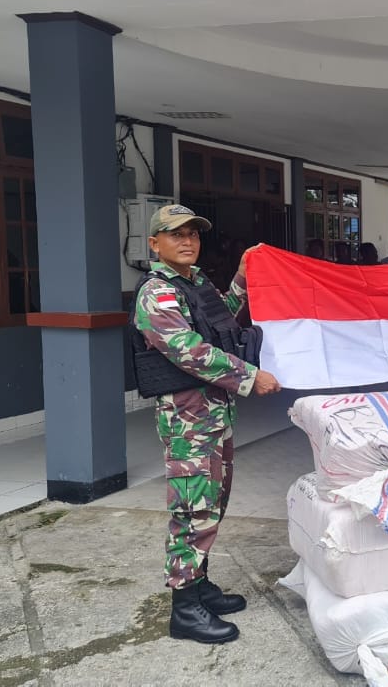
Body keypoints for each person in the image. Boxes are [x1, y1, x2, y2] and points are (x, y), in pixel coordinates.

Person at [132, 204, 282, 644]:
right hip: (188, 421)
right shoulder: (157, 293)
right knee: (192, 509)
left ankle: (199, 585)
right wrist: (250, 376)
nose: (187, 241)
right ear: (154, 243)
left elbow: (223, 320)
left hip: (214, 415)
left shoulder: (196, 283)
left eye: (193, 234)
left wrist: (243, 275)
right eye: (175, 234)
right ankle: (184, 608)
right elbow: (189, 350)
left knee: (211, 504)